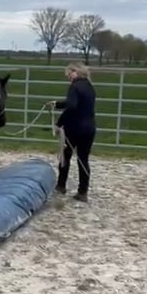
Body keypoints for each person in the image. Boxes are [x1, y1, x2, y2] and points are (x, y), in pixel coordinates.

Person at [46, 62, 97, 202]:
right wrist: (57, 104)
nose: (69, 77)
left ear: (76, 72)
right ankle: (83, 191)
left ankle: (61, 186)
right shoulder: (89, 86)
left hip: (74, 128)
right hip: (89, 127)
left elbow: (72, 106)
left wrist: (59, 123)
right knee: (83, 159)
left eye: (69, 74)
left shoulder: (74, 86)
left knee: (65, 156)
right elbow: (74, 103)